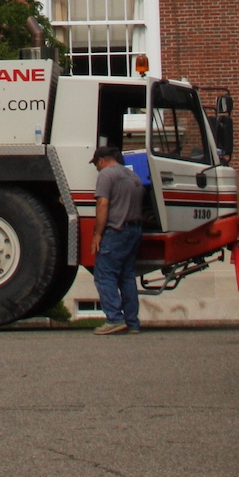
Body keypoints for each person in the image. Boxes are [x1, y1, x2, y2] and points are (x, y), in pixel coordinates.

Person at [90, 143, 144, 335]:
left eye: (96, 164)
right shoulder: (133, 176)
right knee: (127, 276)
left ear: (102, 161)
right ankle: (132, 322)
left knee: (104, 275)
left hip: (116, 230)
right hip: (135, 230)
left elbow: (103, 203)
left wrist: (97, 233)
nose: (96, 168)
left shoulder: (106, 175)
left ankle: (114, 318)